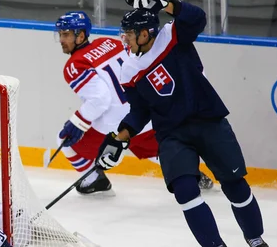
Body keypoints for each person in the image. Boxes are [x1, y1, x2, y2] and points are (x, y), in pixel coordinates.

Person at [95, 0, 269, 247]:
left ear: (146, 33)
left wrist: (166, 3)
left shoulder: (173, 37)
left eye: (128, 33)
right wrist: (119, 138)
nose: (123, 38)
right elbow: (139, 111)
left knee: (235, 184)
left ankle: (254, 235)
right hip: (172, 134)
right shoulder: (129, 69)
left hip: (209, 121)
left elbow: (197, 18)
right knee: (186, 191)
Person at [55, 11, 213, 195]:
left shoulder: (75, 65)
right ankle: (190, 172)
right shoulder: (109, 42)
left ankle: (94, 182)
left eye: (65, 34)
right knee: (155, 148)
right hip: (141, 114)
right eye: (60, 35)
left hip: (114, 124)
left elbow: (100, 99)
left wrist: (78, 122)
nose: (61, 39)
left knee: (65, 141)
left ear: (80, 35)